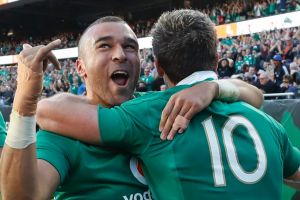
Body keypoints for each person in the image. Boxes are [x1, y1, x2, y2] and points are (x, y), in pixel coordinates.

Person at [34, 10, 300, 199]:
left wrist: (27, 94)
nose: (119, 55)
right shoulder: (266, 123)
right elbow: (257, 96)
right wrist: (216, 86)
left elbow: (46, 111)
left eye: (130, 47)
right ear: (217, 59)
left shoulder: (152, 114)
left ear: (158, 66)